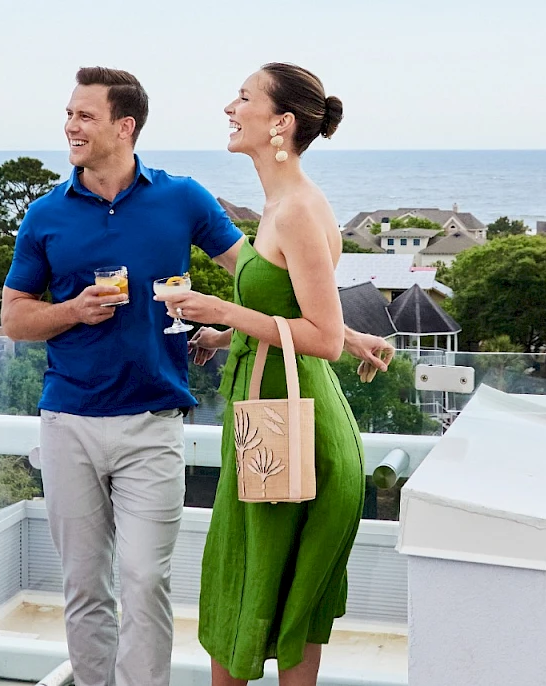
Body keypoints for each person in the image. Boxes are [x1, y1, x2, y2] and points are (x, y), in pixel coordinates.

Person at [0, 67, 245, 686]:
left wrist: (233, 326)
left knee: (143, 579)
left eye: (85, 115)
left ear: (124, 126)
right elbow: (14, 319)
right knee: (84, 586)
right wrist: (74, 310)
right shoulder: (46, 213)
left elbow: (251, 271)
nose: (70, 126)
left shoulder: (182, 197)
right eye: (70, 114)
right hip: (68, 422)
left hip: (153, 422)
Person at [164, 63, 393, 686]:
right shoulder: (283, 203)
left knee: (256, 590)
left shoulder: (293, 209)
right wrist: (225, 332)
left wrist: (224, 308)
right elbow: (303, 310)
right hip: (274, 420)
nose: (229, 107)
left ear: (280, 123)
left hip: (289, 433)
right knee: (276, 599)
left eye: (242, 98)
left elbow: (317, 338)